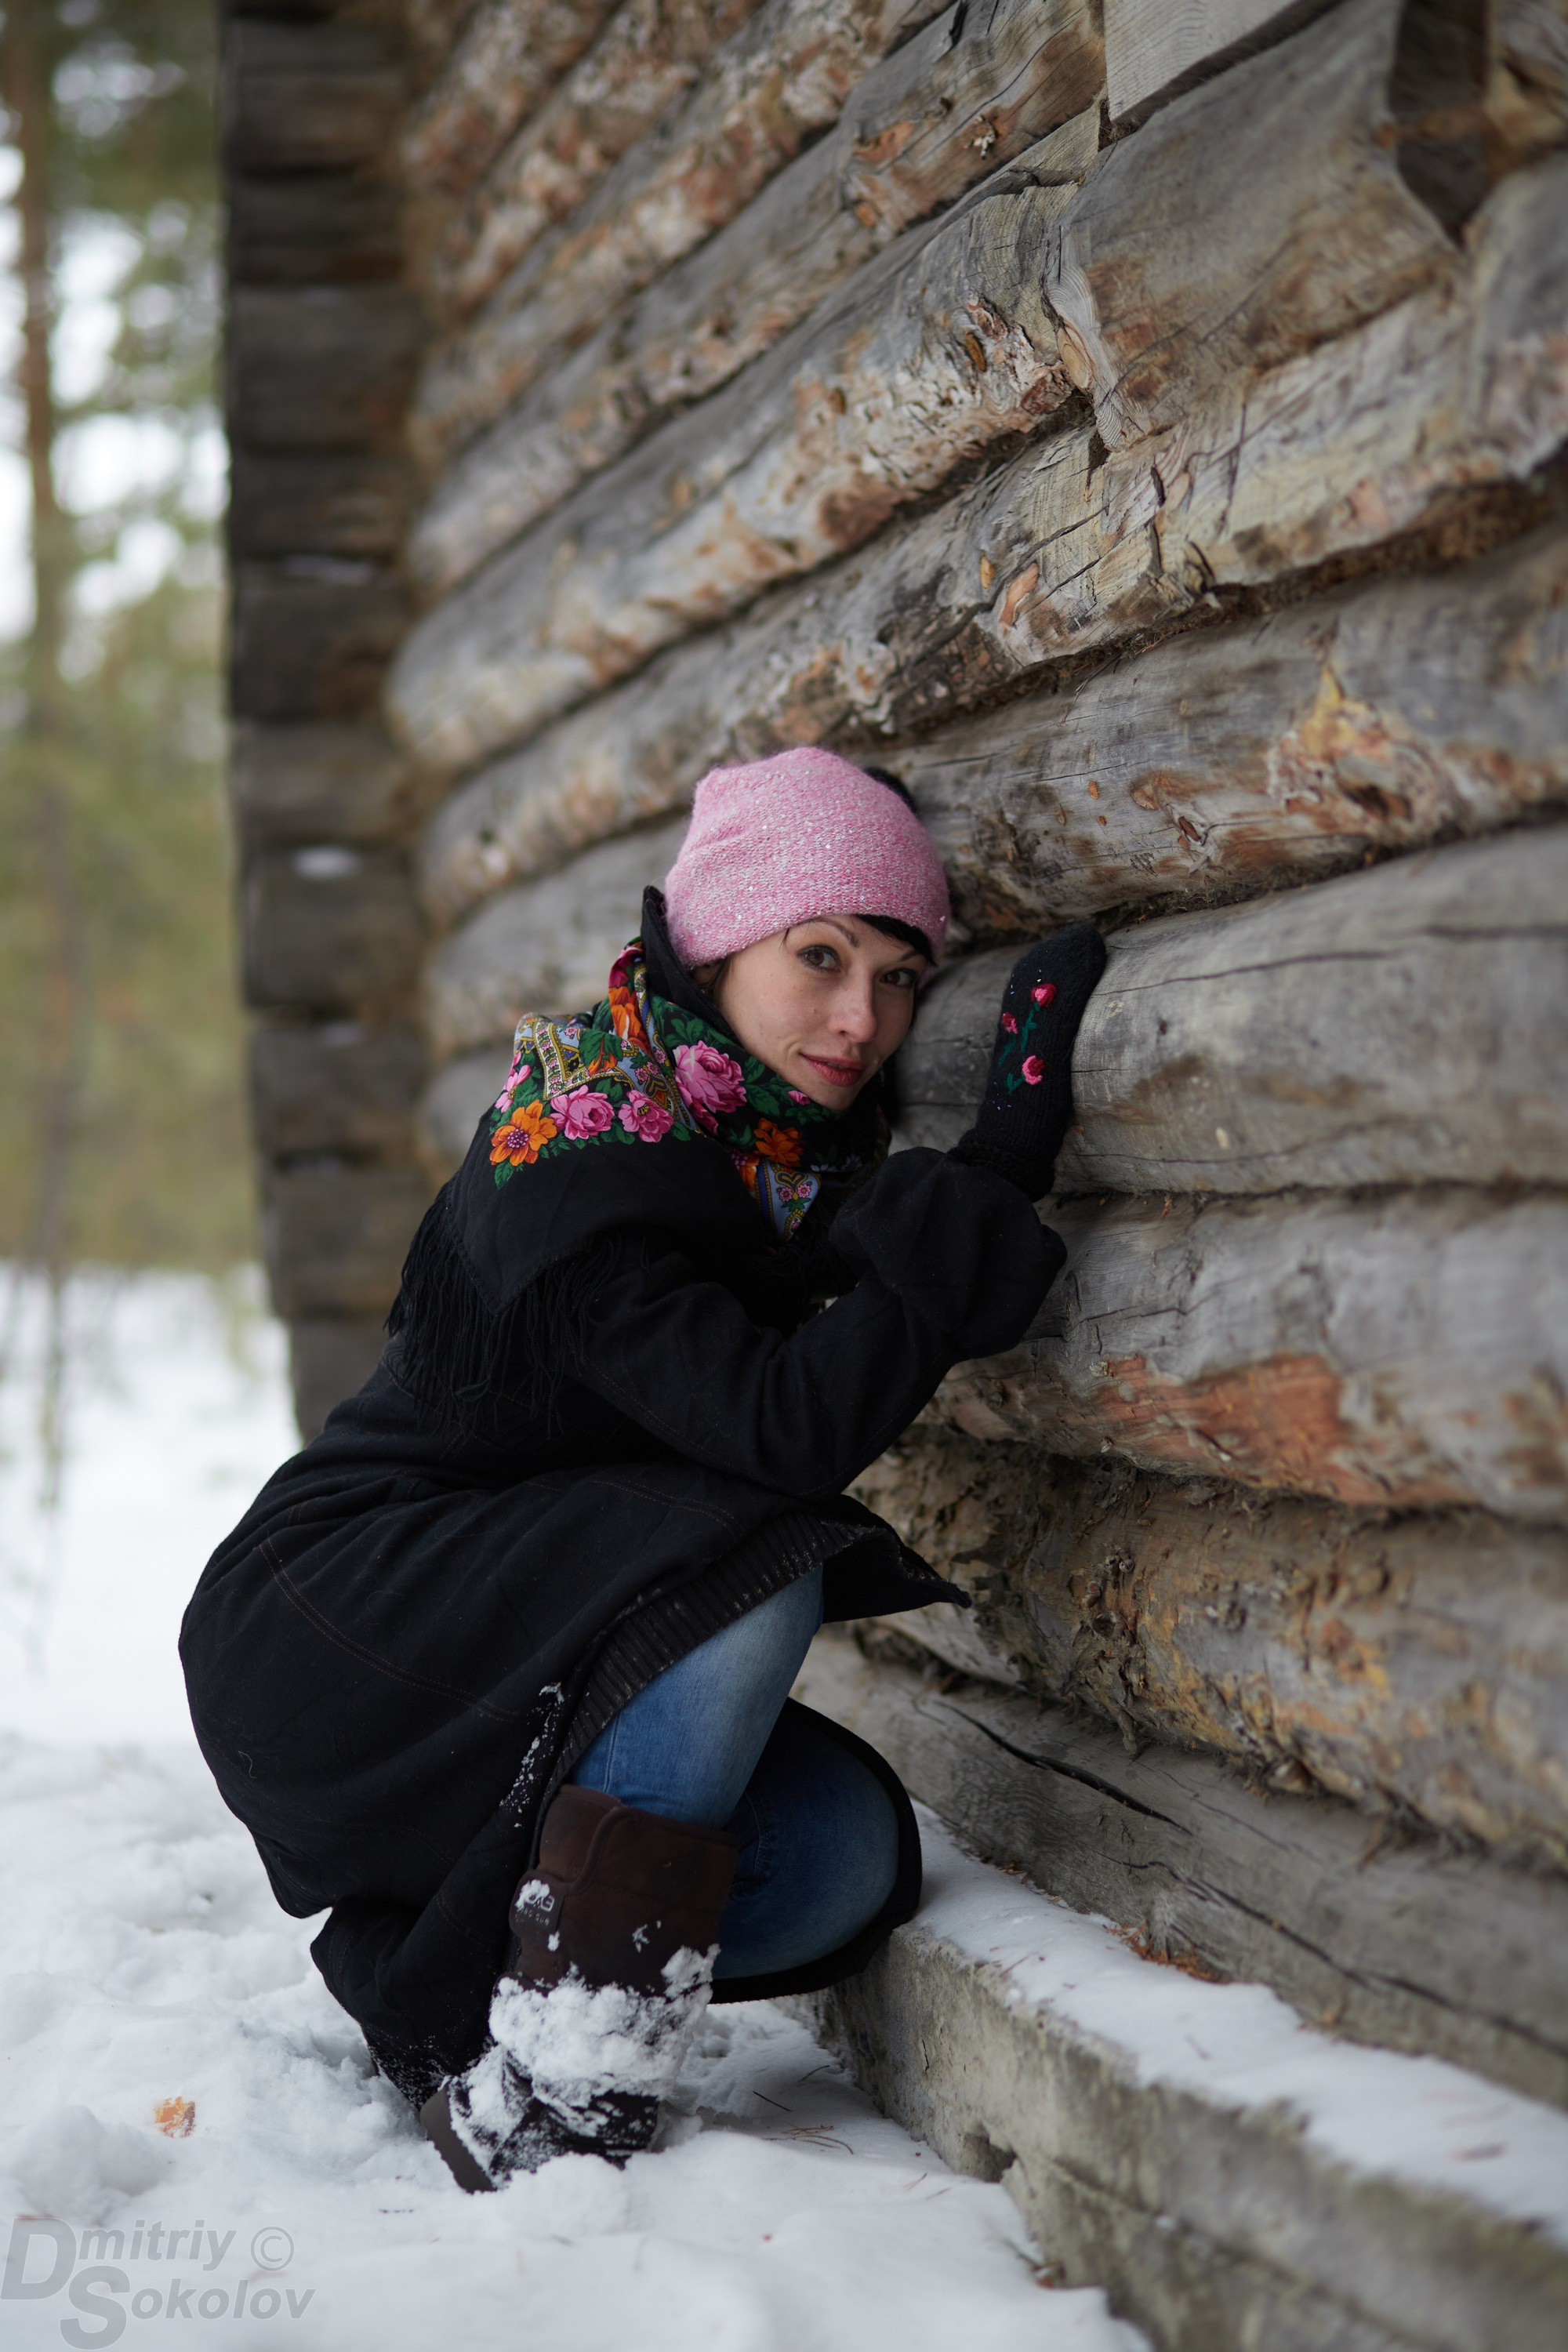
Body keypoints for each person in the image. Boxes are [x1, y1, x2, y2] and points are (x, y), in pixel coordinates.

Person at [180, 749, 1105, 2192]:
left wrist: (949, 1206)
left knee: (841, 1867)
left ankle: (431, 1952)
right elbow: (783, 1428)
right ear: (717, 941)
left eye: (900, 975)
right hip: (335, 1624)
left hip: (498, 1640)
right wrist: (997, 1164)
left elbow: (820, 1301)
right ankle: (556, 2084)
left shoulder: (760, 1157)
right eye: (820, 957)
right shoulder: (586, 1153)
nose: (862, 1019)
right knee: (746, 1568)